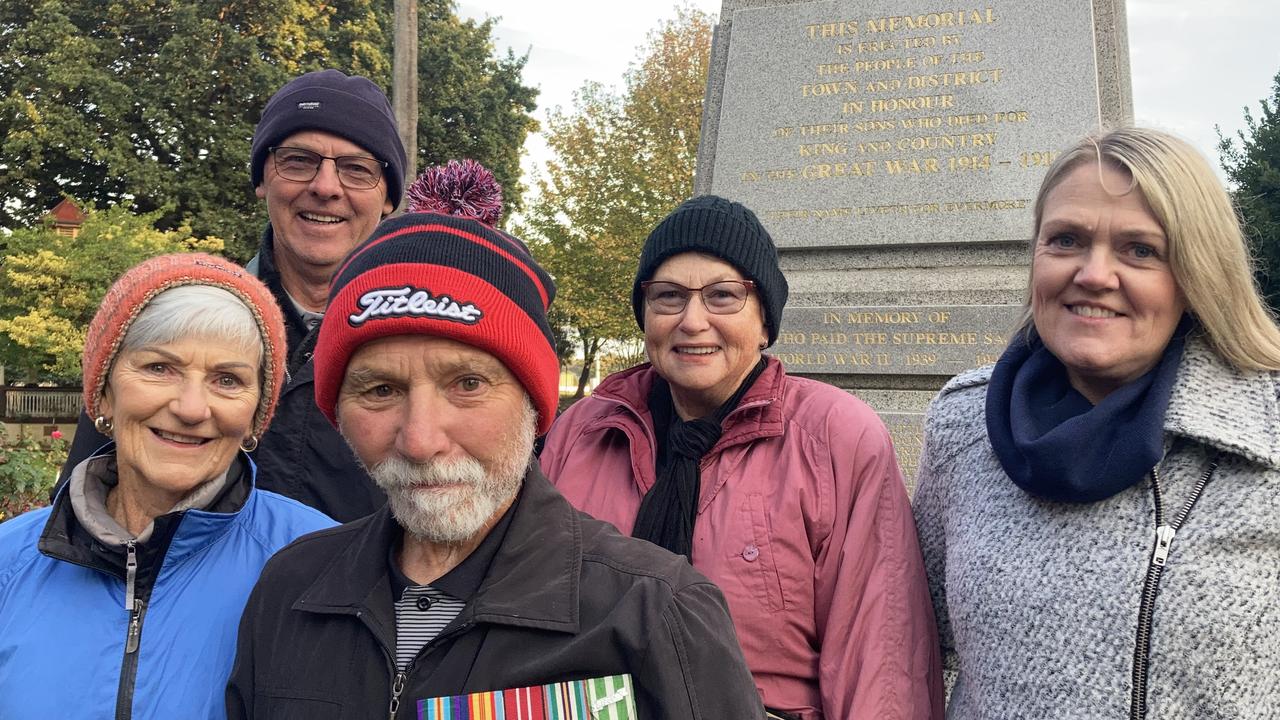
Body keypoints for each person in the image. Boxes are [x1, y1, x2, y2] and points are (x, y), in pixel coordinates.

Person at [226, 164, 765, 719]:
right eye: (381, 390)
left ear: (534, 406)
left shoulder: (652, 611)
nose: (419, 440)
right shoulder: (289, 589)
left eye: (467, 385)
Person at [912, 127, 1280, 718]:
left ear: (1196, 273)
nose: (1094, 274)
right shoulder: (963, 424)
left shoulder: (1268, 428)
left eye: (1140, 250)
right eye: (1066, 240)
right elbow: (921, 643)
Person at [539, 195, 943, 719]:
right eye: (668, 296)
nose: (692, 320)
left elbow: (882, 659)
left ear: (765, 321)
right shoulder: (582, 432)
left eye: (723, 296)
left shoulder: (836, 438)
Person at [59, 68, 405, 522]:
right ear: (263, 178)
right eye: (298, 161)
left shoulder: (417, 341)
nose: (325, 187)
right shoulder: (172, 320)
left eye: (357, 169)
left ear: (388, 198)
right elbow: (81, 514)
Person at [0, 254, 334, 719]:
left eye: (227, 379)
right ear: (103, 393)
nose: (192, 408)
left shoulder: (320, 563)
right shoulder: (10, 562)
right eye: (159, 368)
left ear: (257, 414)